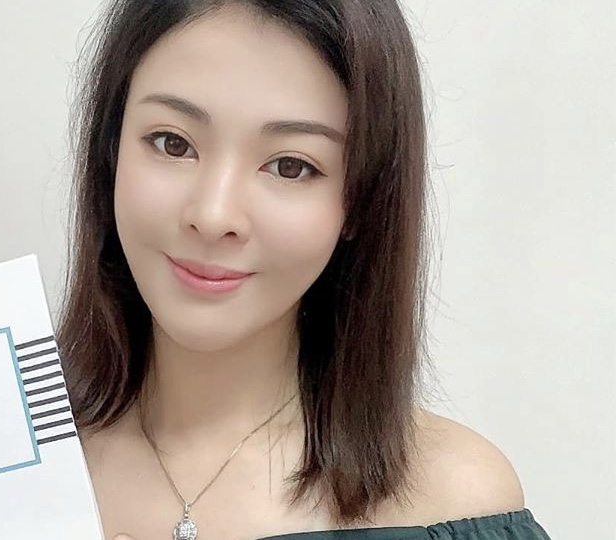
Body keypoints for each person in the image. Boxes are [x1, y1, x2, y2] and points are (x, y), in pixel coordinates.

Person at [57, 1, 552, 539]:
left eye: (291, 166)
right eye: (172, 143)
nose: (213, 215)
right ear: (110, 152)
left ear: (360, 201)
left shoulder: (454, 501)